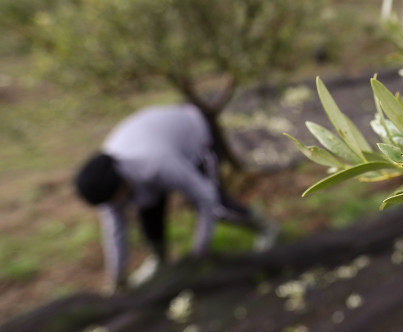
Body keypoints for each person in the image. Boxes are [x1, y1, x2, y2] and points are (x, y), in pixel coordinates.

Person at [74, 103, 280, 292]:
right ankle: (160, 260)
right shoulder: (108, 185)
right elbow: (115, 230)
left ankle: (266, 228)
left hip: (195, 135)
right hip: (152, 142)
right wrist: (117, 279)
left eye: (114, 200)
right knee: (148, 209)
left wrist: (199, 250)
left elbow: (205, 196)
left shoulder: (157, 165)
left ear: (121, 185)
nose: (114, 206)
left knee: (217, 206)